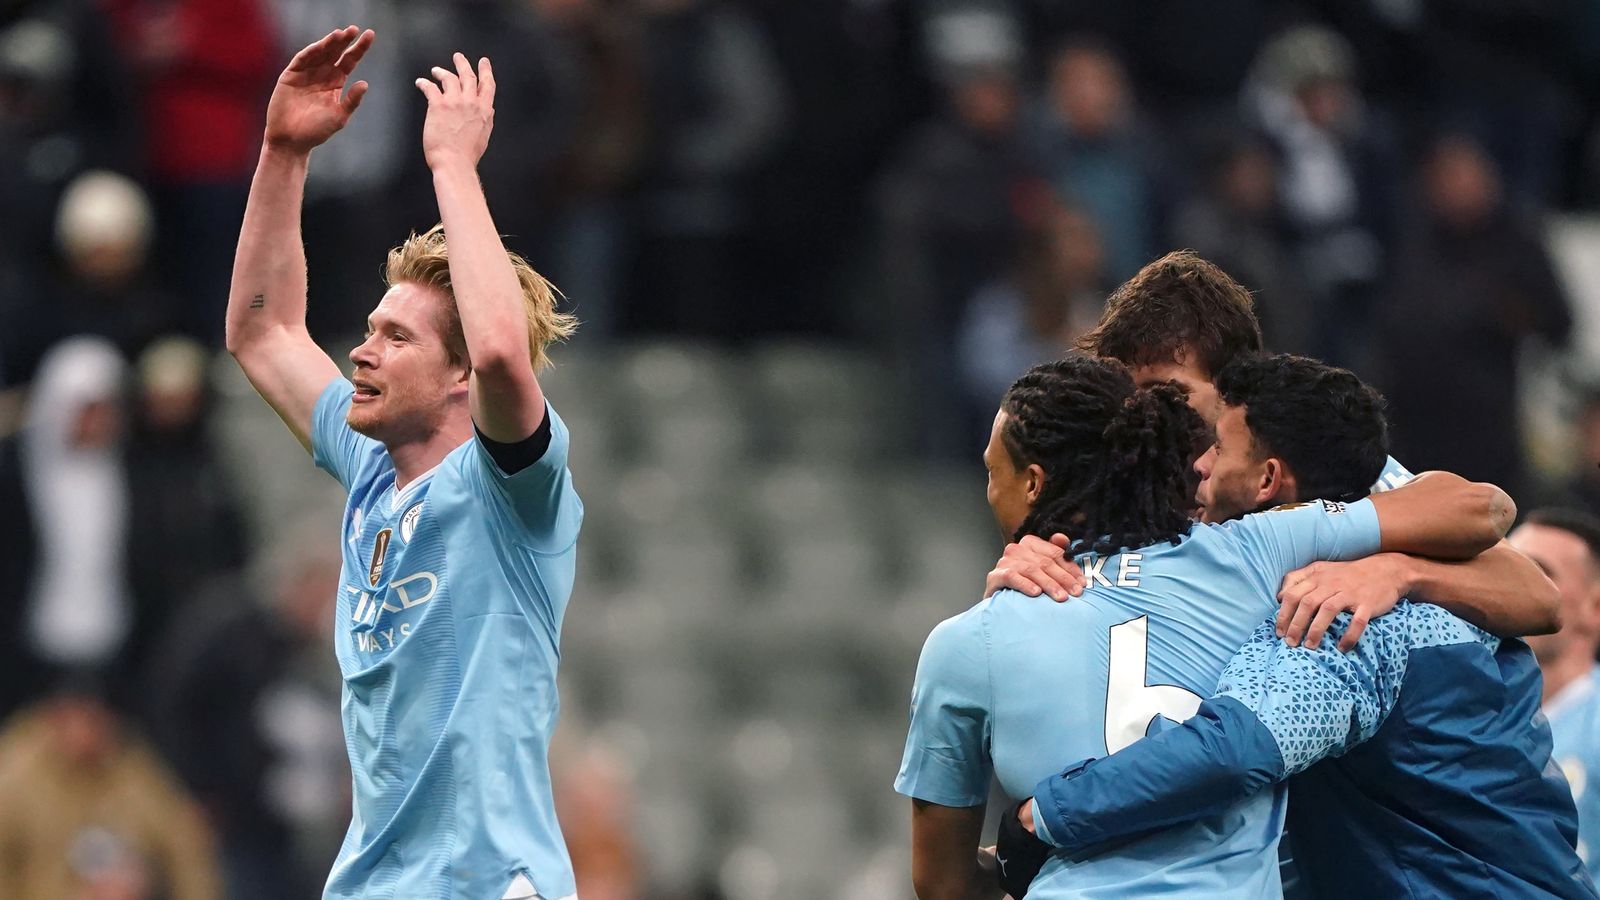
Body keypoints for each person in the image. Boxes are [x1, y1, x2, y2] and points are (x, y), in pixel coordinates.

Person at [898, 354, 1511, 898]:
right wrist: (1397, 568)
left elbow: (944, 883)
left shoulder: (963, 643)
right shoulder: (1253, 551)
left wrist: (1018, 861)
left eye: (991, 472)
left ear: (1032, 484)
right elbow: (1486, 508)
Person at [224, 27, 582, 899]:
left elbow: (501, 354)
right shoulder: (372, 469)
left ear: (458, 377)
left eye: (395, 337)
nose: (361, 352)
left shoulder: (512, 491)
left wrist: (453, 166)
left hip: (488, 883)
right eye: (368, 330)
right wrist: (282, 153)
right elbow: (262, 331)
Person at [1514, 510, 1600, 877]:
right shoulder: (1462, 710)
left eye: (1537, 570)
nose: (1506, 583)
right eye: (1502, 566)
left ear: (1595, 608)